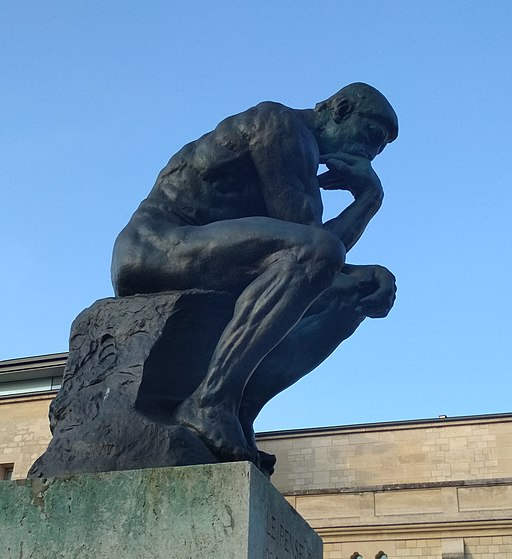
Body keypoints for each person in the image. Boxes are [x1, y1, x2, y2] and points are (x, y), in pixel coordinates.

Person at [111, 82, 398, 471]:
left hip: (215, 258)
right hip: (156, 248)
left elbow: (312, 255)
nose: (369, 155)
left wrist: (367, 273)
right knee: (319, 253)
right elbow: (311, 240)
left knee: (357, 292)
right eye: (370, 137)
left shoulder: (303, 151)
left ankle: (240, 410)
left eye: (378, 150)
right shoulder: (280, 125)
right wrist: (368, 201)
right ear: (341, 110)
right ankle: (211, 402)